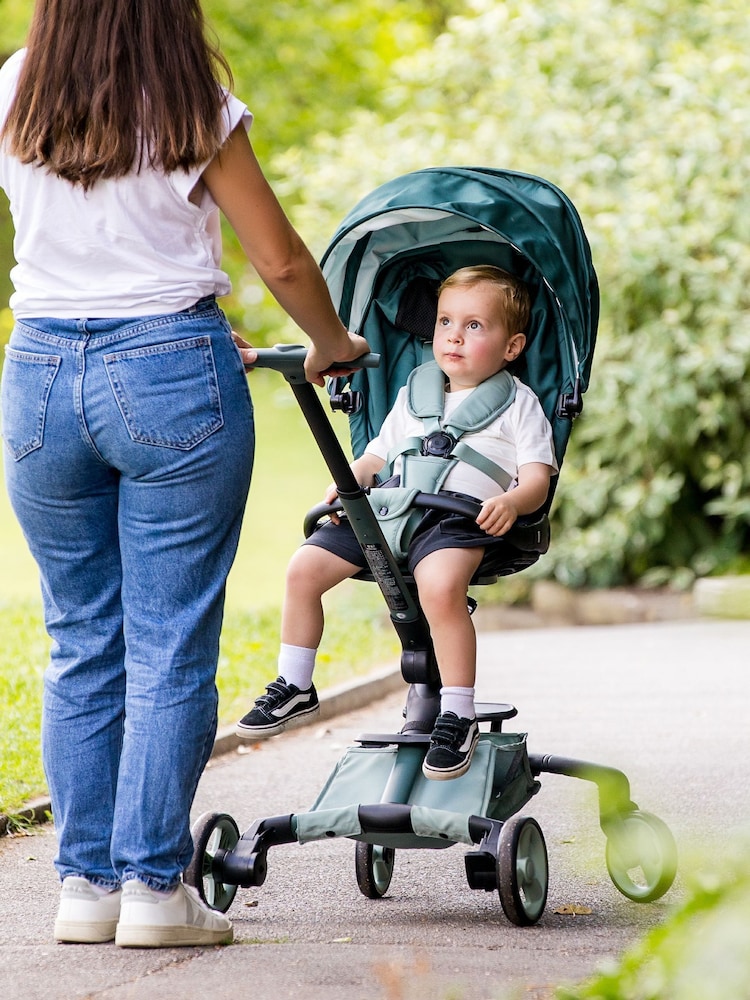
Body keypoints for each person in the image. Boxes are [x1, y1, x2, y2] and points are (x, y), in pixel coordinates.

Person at [0, 0, 368, 949]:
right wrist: (333, 342)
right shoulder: (189, 100)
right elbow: (280, 257)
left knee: (81, 636)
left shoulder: (14, 88)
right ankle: (154, 890)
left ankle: (85, 888)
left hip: (38, 374)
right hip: (171, 368)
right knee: (168, 642)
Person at [236, 265, 558, 780]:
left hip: (457, 518)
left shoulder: (520, 403)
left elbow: (537, 478)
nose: (454, 335)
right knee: (303, 569)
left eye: (474, 325)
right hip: (391, 508)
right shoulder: (414, 391)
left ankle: (458, 713)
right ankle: (295, 684)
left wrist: (514, 502)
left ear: (512, 346)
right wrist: (350, 482)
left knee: (439, 588)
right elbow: (378, 456)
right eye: (446, 321)